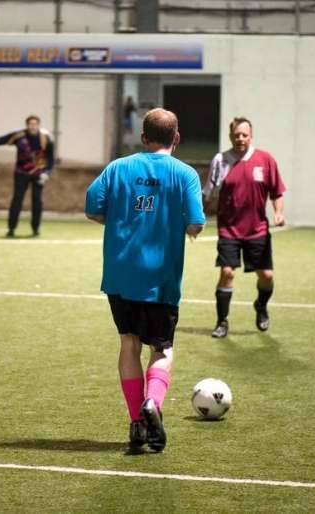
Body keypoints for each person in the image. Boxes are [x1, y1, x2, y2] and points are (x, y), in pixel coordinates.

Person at [85, 108, 205, 453]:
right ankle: (152, 403)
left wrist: (123, 222)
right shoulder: (185, 174)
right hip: (161, 278)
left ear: (143, 137)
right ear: (176, 138)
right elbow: (195, 223)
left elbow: (93, 208)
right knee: (162, 349)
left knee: (129, 344)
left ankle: (136, 424)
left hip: (120, 275)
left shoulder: (118, 168)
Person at [203, 116, 286, 339]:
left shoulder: (265, 159)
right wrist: (198, 215)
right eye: (236, 135)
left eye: (245, 135)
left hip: (257, 230)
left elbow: (276, 192)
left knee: (266, 276)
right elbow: (207, 193)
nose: (240, 138)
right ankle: (222, 321)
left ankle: (261, 305)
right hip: (229, 229)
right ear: (230, 136)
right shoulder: (221, 161)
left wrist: (278, 212)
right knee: (227, 272)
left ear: (251, 136)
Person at [0, 115, 54, 237]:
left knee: (37, 201)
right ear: (27, 125)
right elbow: (1, 140)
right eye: (30, 124)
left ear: (38, 125)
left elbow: (51, 158)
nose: (33, 126)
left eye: (35, 124)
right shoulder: (19, 136)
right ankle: (11, 229)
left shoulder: (46, 138)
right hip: (21, 173)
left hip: (38, 174)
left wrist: (46, 173)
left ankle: (36, 229)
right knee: (17, 200)